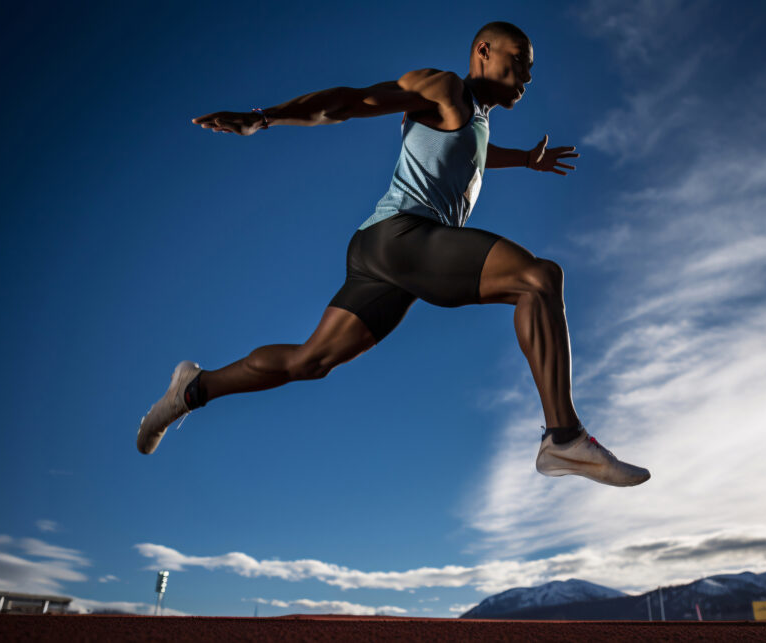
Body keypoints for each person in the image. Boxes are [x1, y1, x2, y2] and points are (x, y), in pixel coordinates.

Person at [138, 21, 650, 487]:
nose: (527, 76)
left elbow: (472, 155)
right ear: (484, 51)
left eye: (532, 69)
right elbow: (350, 101)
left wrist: (525, 161)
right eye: (520, 61)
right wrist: (264, 117)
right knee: (538, 278)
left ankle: (193, 389)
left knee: (309, 361)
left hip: (388, 257)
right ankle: (563, 437)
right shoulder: (445, 87)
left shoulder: (473, 120)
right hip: (402, 236)